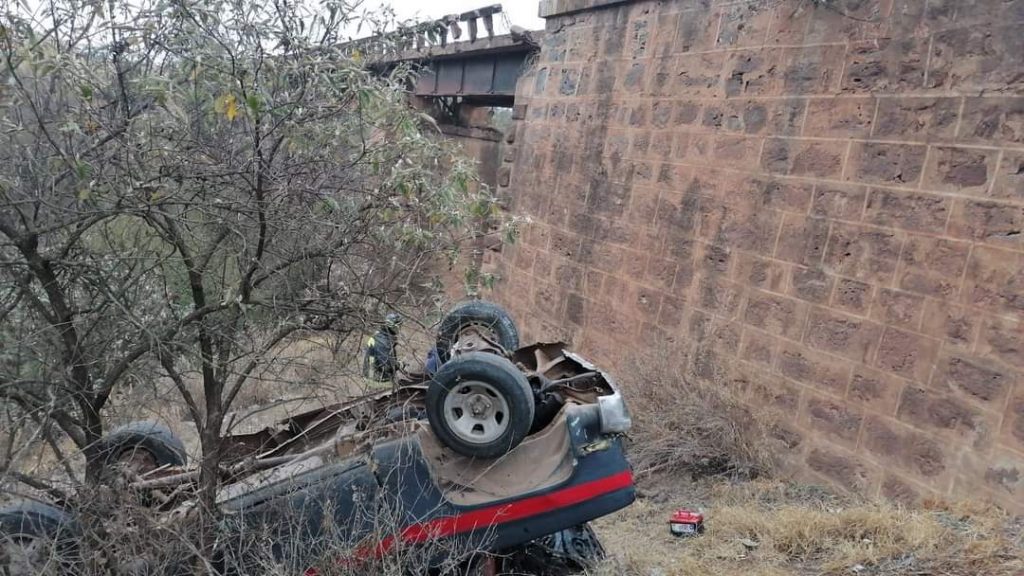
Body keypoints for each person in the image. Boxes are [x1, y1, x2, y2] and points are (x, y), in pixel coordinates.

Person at [362, 312, 402, 381]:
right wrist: (400, 364)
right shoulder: (383, 342)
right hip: (376, 380)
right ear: (394, 326)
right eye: (399, 325)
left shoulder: (381, 335)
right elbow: (387, 366)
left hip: (373, 376)